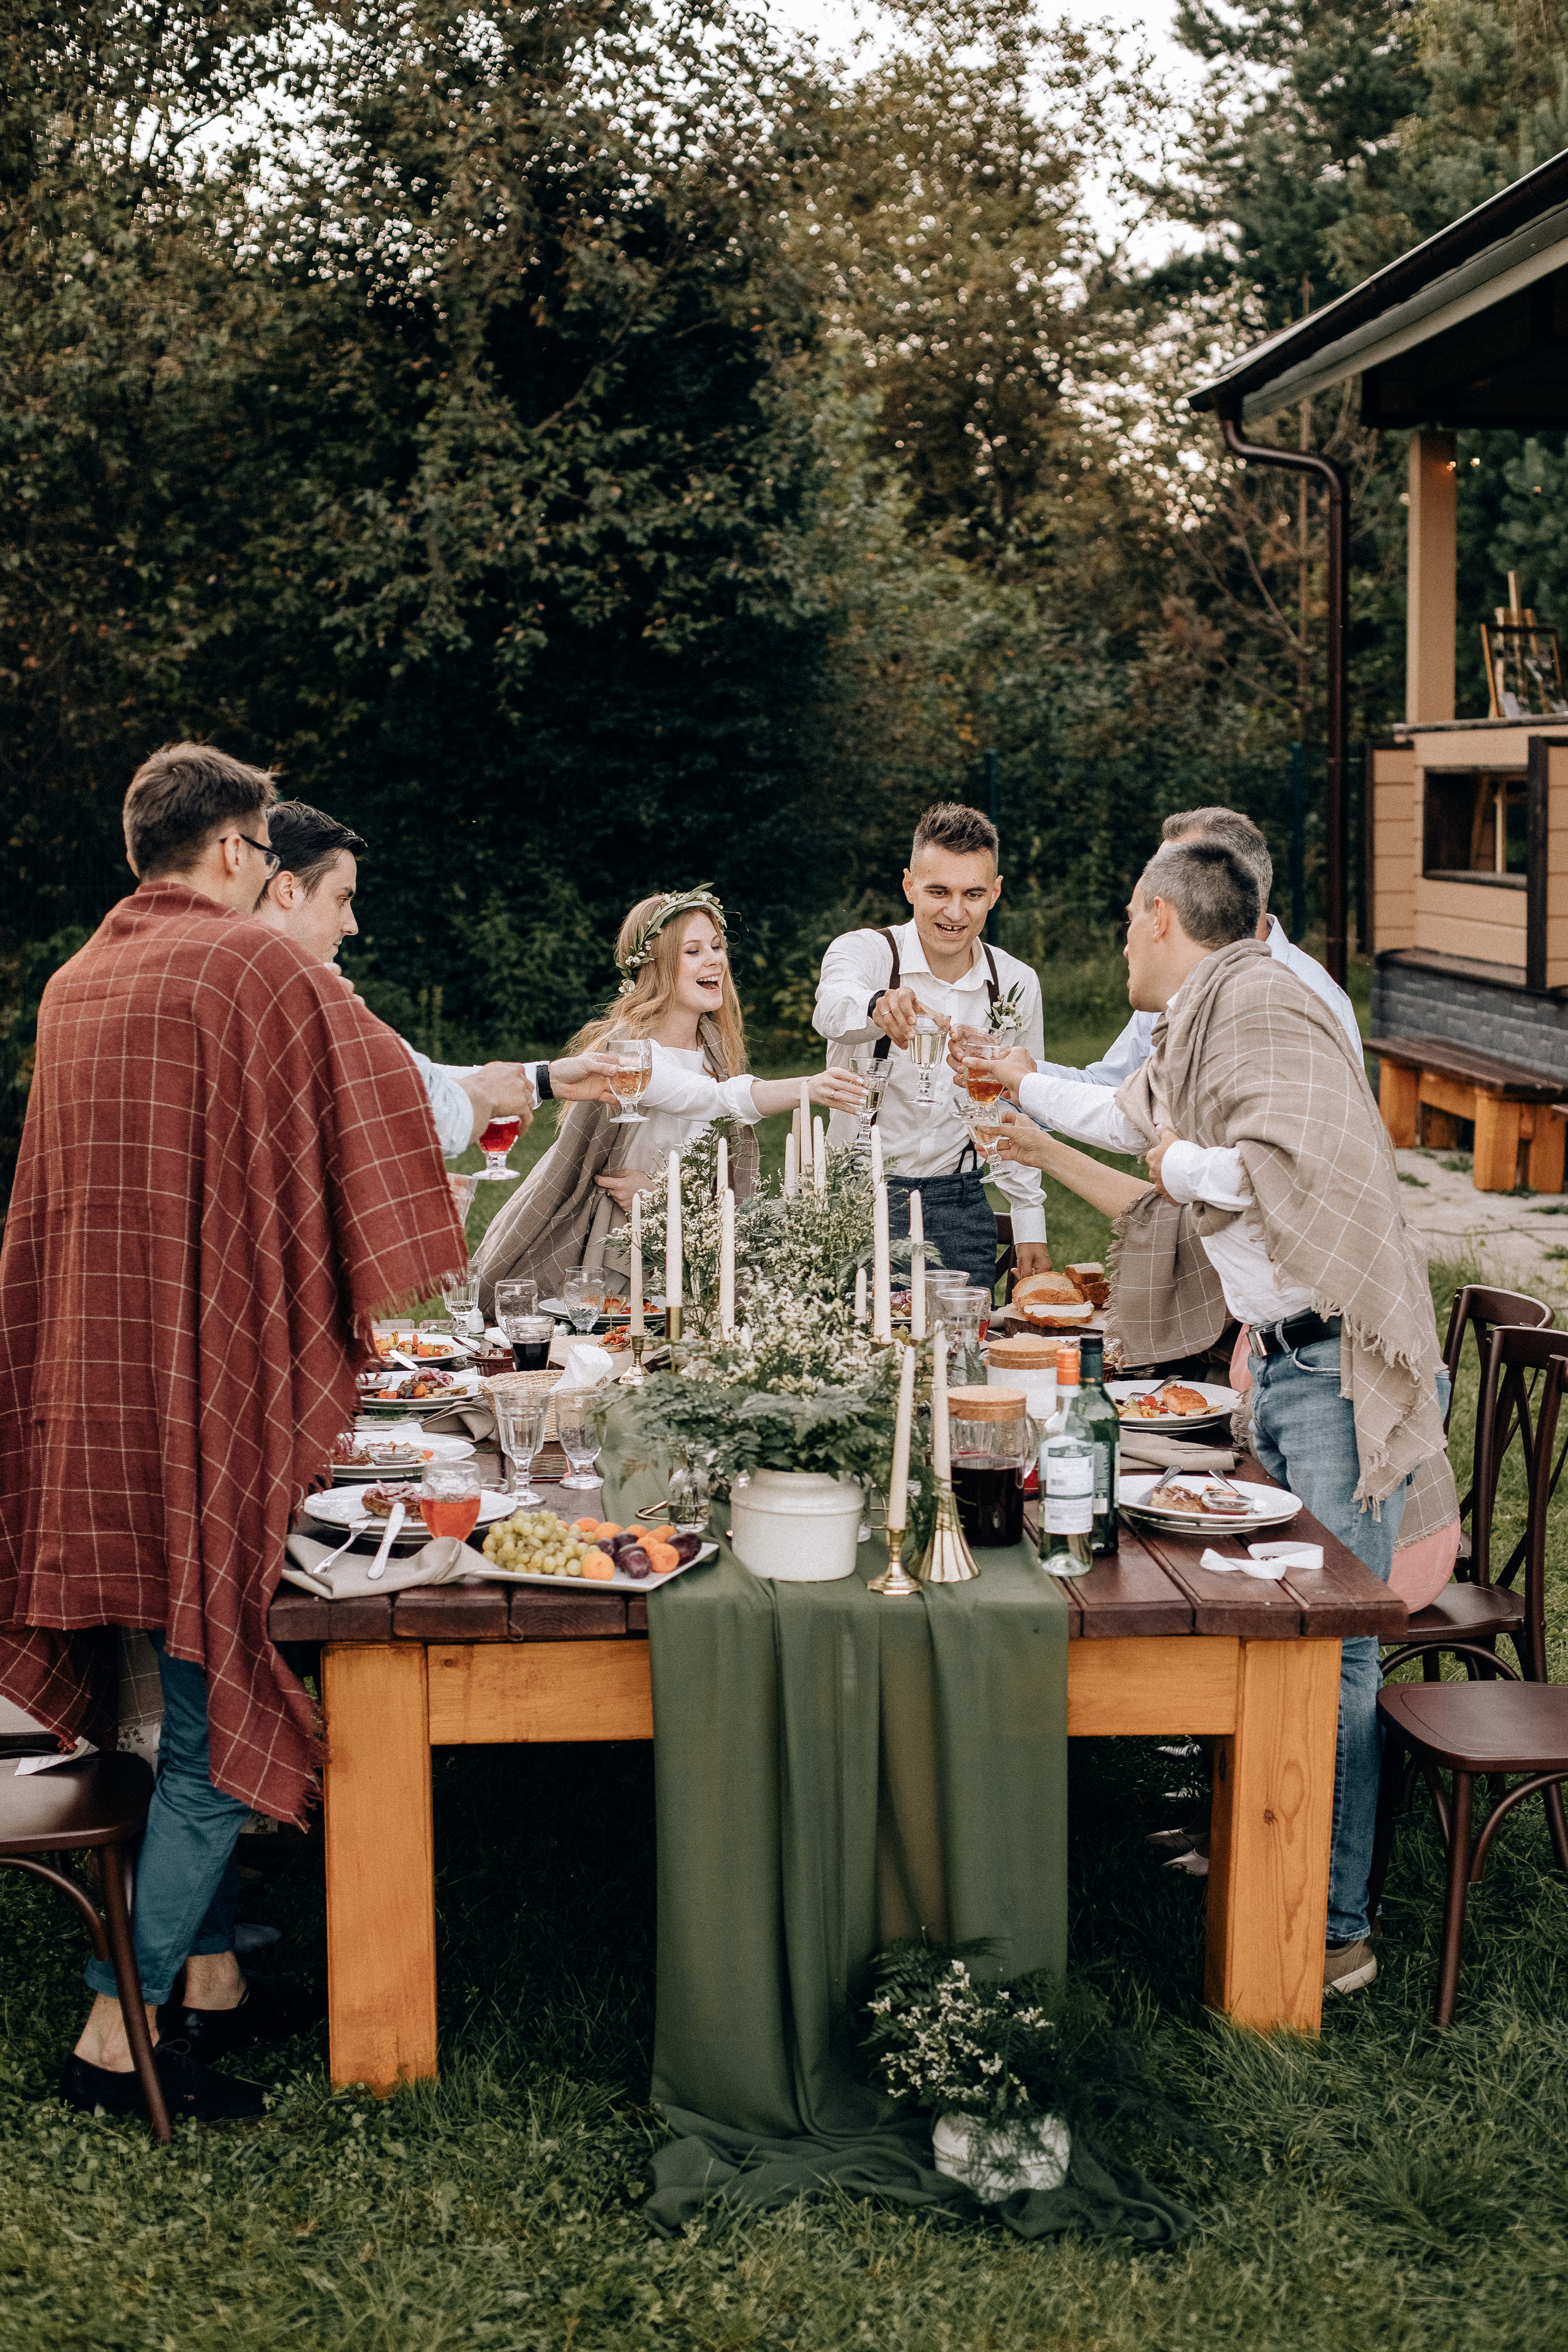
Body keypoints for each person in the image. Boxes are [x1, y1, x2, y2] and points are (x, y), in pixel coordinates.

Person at [0, 742, 469, 2123]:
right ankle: (114, 2037)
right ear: (231, 854)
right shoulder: (255, 968)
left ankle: (208, 1982)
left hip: (98, 1395)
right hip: (205, 1387)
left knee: (162, 1696)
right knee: (211, 1721)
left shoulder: (76, 980)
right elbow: (384, 1107)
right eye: (269, 857)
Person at [974, 838, 1456, 1996]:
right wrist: (1007, 1075)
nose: (1119, 939)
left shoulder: (1262, 1006)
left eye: (1123, 921)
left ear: (1153, 918)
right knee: (1288, 1626)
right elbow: (1117, 1102)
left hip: (1339, 1366)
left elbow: (1266, 1167)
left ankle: (1329, 1928)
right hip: (1290, 1365)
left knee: (1332, 1646)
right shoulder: (1212, 1014)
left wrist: (1178, 1160)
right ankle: (1273, 1859)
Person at [475, 886, 864, 1308]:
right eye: (693, 951)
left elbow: (709, 1163)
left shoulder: (716, 1054)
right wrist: (808, 1088)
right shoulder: (629, 1052)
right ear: (654, 968)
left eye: (717, 946)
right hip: (613, 1247)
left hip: (684, 1240)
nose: (715, 959)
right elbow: (708, 1101)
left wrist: (662, 1196)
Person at [254, 800, 616, 1147]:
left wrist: (545, 1079)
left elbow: (402, 1079)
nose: (353, 926)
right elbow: (427, 1112)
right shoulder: (291, 990)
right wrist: (489, 1093)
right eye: (342, 899)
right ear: (289, 889)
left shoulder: (236, 971)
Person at [813, 801, 1052, 1294]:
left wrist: (1030, 1221)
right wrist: (878, 1004)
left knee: (965, 1355)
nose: (955, 911)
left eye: (973, 894)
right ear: (909, 886)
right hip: (856, 1198)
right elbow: (832, 1009)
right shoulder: (866, 951)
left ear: (996, 894)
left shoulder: (1016, 982)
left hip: (960, 1202)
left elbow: (1018, 1108)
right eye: (938, 891)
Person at [965, 807, 1359, 1093]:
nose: (1154, 896)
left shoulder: (1303, 999)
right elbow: (1113, 1089)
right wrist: (1016, 1073)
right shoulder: (1175, 982)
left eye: (1169, 876)